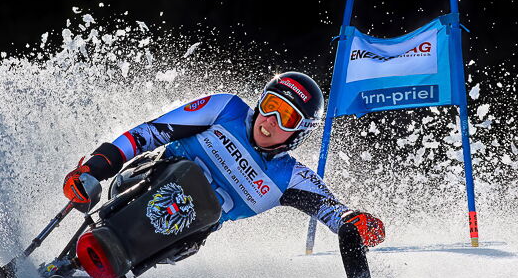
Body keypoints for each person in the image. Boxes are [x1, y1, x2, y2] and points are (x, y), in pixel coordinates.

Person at [63, 71, 385, 253]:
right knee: (185, 172)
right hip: (141, 181)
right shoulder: (224, 109)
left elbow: (334, 211)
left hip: (179, 236)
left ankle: (112, 261)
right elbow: (148, 134)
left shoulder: (290, 177)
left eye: (285, 117)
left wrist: (356, 223)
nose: (269, 121)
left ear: (299, 132)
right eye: (270, 106)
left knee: (204, 208)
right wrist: (96, 166)